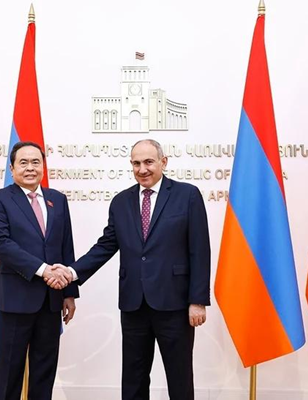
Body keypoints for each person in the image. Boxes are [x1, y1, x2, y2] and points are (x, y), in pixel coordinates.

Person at [47, 139, 210, 400]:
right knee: (133, 378)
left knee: (179, 377)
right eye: (136, 163)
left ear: (163, 162)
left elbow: (200, 250)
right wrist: (72, 272)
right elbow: (106, 245)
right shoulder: (121, 201)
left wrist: (198, 300)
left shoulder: (187, 195)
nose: (142, 169)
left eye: (149, 162)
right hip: (134, 304)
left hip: (174, 304)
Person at [0, 141, 77, 400]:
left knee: (44, 371)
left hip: (51, 300)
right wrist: (43, 270)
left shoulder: (57, 199)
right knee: (8, 373)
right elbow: (0, 244)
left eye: (35, 162)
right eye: (23, 162)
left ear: (43, 167)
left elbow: (65, 246)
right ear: (12, 168)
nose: (30, 168)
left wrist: (69, 293)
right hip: (14, 298)